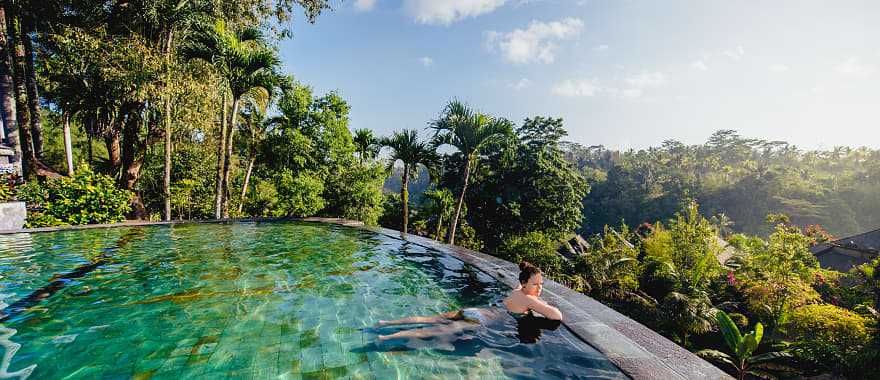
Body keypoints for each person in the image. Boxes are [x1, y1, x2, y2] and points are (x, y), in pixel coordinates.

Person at [374, 261, 562, 341]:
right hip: (479, 320)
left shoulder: (517, 291)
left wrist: (532, 292)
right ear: (524, 282)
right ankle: (387, 337)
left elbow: (518, 289)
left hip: (475, 310)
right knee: (433, 331)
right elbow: (556, 316)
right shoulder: (529, 299)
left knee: (431, 319)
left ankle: (386, 323)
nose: (539, 288)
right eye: (535, 284)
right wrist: (542, 304)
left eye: (541, 284)